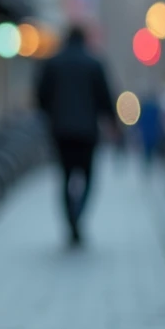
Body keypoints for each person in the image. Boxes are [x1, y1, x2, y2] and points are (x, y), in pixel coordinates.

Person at [34, 25, 118, 246]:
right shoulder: (94, 63)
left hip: (60, 131)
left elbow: (40, 96)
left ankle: (71, 221)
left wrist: (51, 115)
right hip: (87, 133)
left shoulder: (52, 63)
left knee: (64, 178)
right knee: (88, 177)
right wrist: (113, 124)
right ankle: (78, 216)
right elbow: (106, 98)